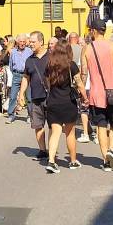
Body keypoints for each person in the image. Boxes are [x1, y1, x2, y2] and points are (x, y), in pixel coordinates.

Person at [81, 18, 113, 172]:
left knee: (101, 126)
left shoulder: (87, 49)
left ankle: (105, 160)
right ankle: (111, 150)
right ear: (104, 30)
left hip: (96, 94)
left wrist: (82, 92)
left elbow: (84, 73)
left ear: (93, 31)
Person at [43, 44, 88, 173]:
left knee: (55, 132)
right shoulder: (71, 65)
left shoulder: (49, 65)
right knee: (70, 133)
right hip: (68, 102)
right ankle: (73, 161)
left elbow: (47, 83)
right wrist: (85, 97)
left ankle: (51, 161)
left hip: (53, 102)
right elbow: (79, 84)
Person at [18, 31, 50, 158]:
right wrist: (21, 94)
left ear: (41, 42)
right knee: (38, 124)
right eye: (29, 42)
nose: (29, 44)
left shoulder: (51, 57)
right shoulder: (29, 60)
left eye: (32, 42)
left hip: (51, 96)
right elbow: (26, 78)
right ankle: (42, 150)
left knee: (53, 125)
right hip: (35, 97)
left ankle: (52, 149)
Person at [6, 34, 32, 123]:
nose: (22, 43)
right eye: (20, 42)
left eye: (24, 42)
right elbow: (11, 65)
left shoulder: (29, 51)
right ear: (17, 42)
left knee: (29, 96)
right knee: (13, 96)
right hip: (16, 75)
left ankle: (30, 115)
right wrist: (15, 73)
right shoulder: (13, 52)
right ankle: (11, 114)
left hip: (27, 75)